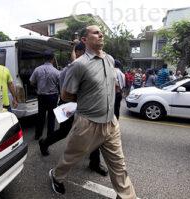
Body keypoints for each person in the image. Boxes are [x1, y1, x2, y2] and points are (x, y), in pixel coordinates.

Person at [48, 25, 137, 198]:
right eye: (96, 32)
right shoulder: (78, 65)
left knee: (119, 165)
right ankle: (56, 176)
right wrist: (87, 100)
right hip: (87, 123)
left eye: (101, 32)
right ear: (84, 40)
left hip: (111, 122)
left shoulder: (110, 59)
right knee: (71, 158)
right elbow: (66, 95)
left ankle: (127, 196)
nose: (101, 34)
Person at [38, 42, 108, 176]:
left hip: (86, 106)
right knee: (64, 132)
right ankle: (44, 143)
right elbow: (66, 91)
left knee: (94, 133)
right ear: (80, 53)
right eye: (88, 52)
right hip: (68, 105)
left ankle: (94, 163)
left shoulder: (89, 67)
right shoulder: (70, 69)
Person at [30, 50, 60, 140]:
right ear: (53, 59)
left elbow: (31, 82)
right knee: (51, 117)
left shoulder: (37, 69)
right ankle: (50, 136)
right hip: (53, 96)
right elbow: (60, 84)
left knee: (41, 116)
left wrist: (37, 87)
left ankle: (37, 135)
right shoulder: (56, 71)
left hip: (41, 96)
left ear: (44, 59)